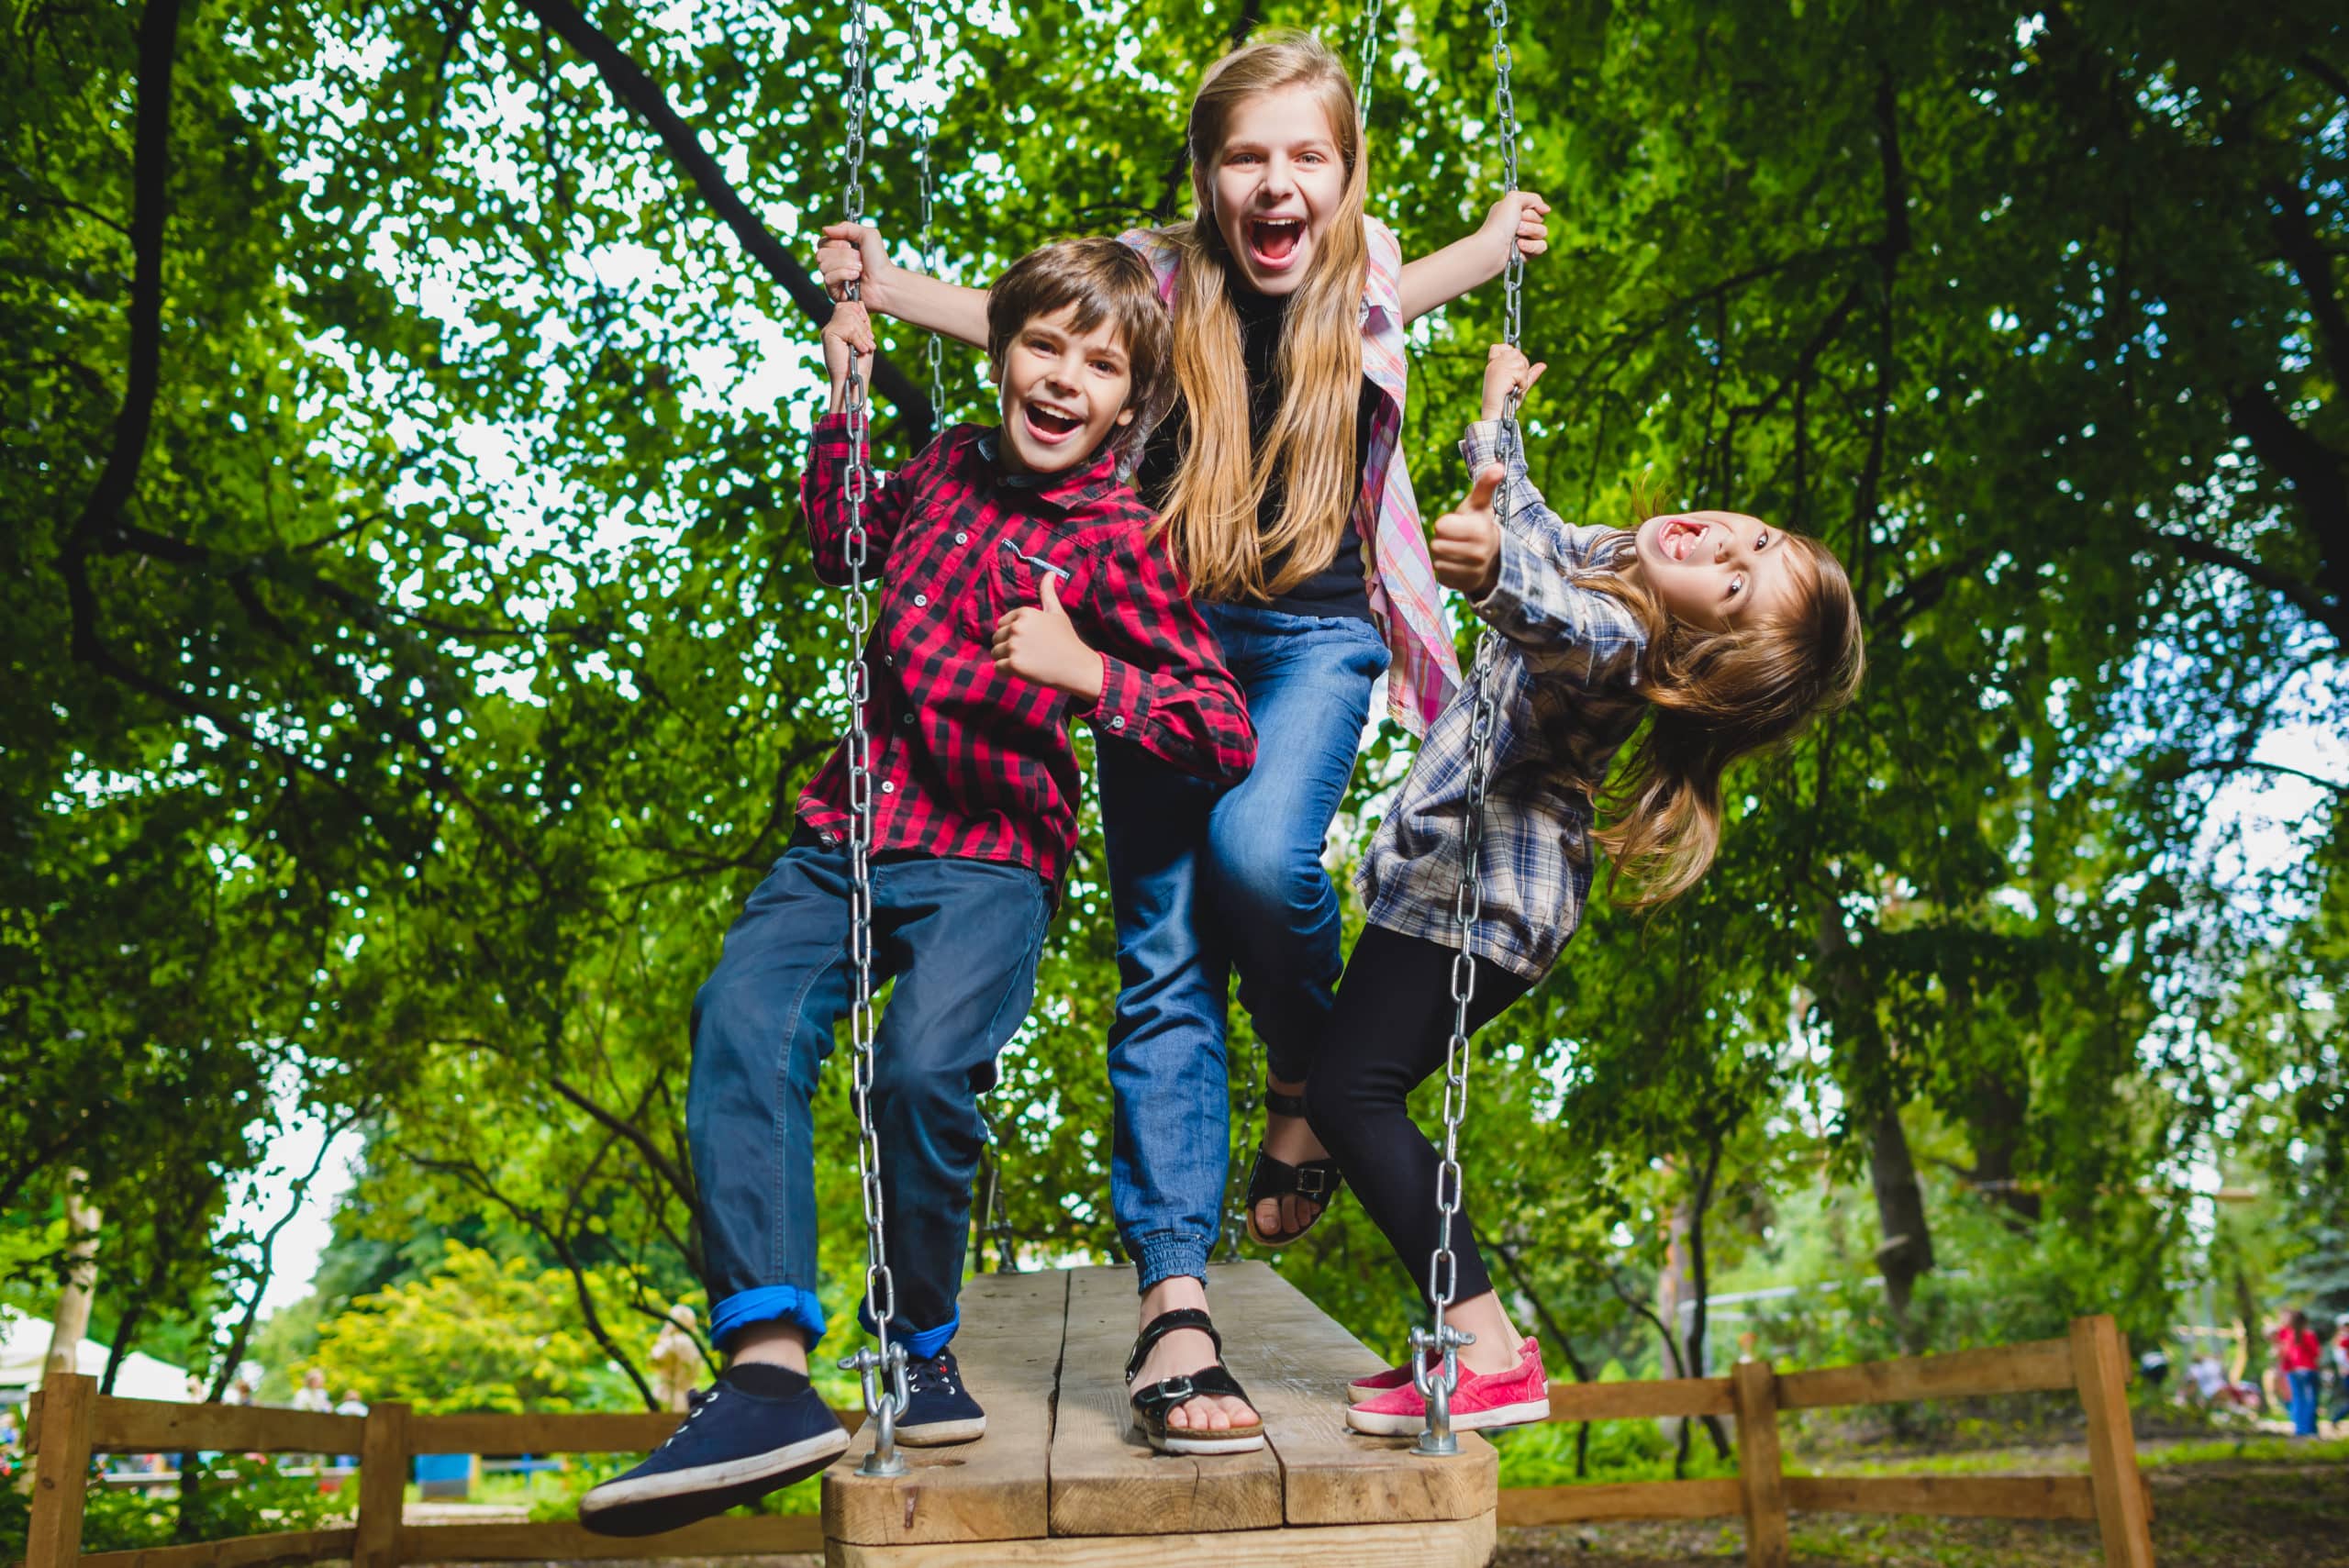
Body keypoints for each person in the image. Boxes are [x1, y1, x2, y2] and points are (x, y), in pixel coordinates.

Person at [819, 29, 1551, 1452]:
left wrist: (1488, 238)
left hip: (1321, 635)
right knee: (1159, 954)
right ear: (1206, 175)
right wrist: (882, 285)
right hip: (1159, 640)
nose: (1276, 185)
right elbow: (1025, 320)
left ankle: (1303, 1078)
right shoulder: (1156, 280)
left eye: (1306, 159)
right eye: (1245, 158)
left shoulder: (1366, 270)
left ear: (1343, 177)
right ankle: (1175, 1299)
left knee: (1263, 856)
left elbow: (1418, 280)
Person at [577, 238, 1253, 1532]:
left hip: (996, 856)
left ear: (1130, 401)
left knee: (922, 1074)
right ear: (998, 353)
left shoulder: (1117, 540)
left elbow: (1222, 730)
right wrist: (842, 402)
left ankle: (920, 1339)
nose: (1065, 380)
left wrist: (1089, 673)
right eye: (1043, 347)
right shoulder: (943, 463)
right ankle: (769, 1367)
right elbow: (843, 544)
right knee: (742, 1020)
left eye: (1100, 365)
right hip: (851, 828)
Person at [1316, 345, 1865, 1434]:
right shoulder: (1614, 560)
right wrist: (1495, 418)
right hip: (1454, 875)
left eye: (1738, 580)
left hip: (1486, 889)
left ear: (1699, 655)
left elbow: (1548, 610)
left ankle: (1484, 1345)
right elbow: (1531, 520)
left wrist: (1485, 571)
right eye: (1752, 538)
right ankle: (1454, 1334)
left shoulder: (1626, 638)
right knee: (1349, 1078)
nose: (1722, 538)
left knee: (1349, 1092)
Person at [2271, 1307, 2321, 1436]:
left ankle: (2300, 1429)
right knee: (2310, 1400)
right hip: (2308, 1369)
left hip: (2294, 1370)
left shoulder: (2290, 1335)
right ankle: (2310, 1429)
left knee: (2298, 1399)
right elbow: (2316, 1353)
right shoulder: (2307, 1334)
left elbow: (2285, 1353)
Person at [647, 1305, 703, 1414]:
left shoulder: (671, 1342)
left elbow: (653, 1359)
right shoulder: (695, 1344)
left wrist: (663, 1337)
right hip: (689, 1398)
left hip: (668, 1396)